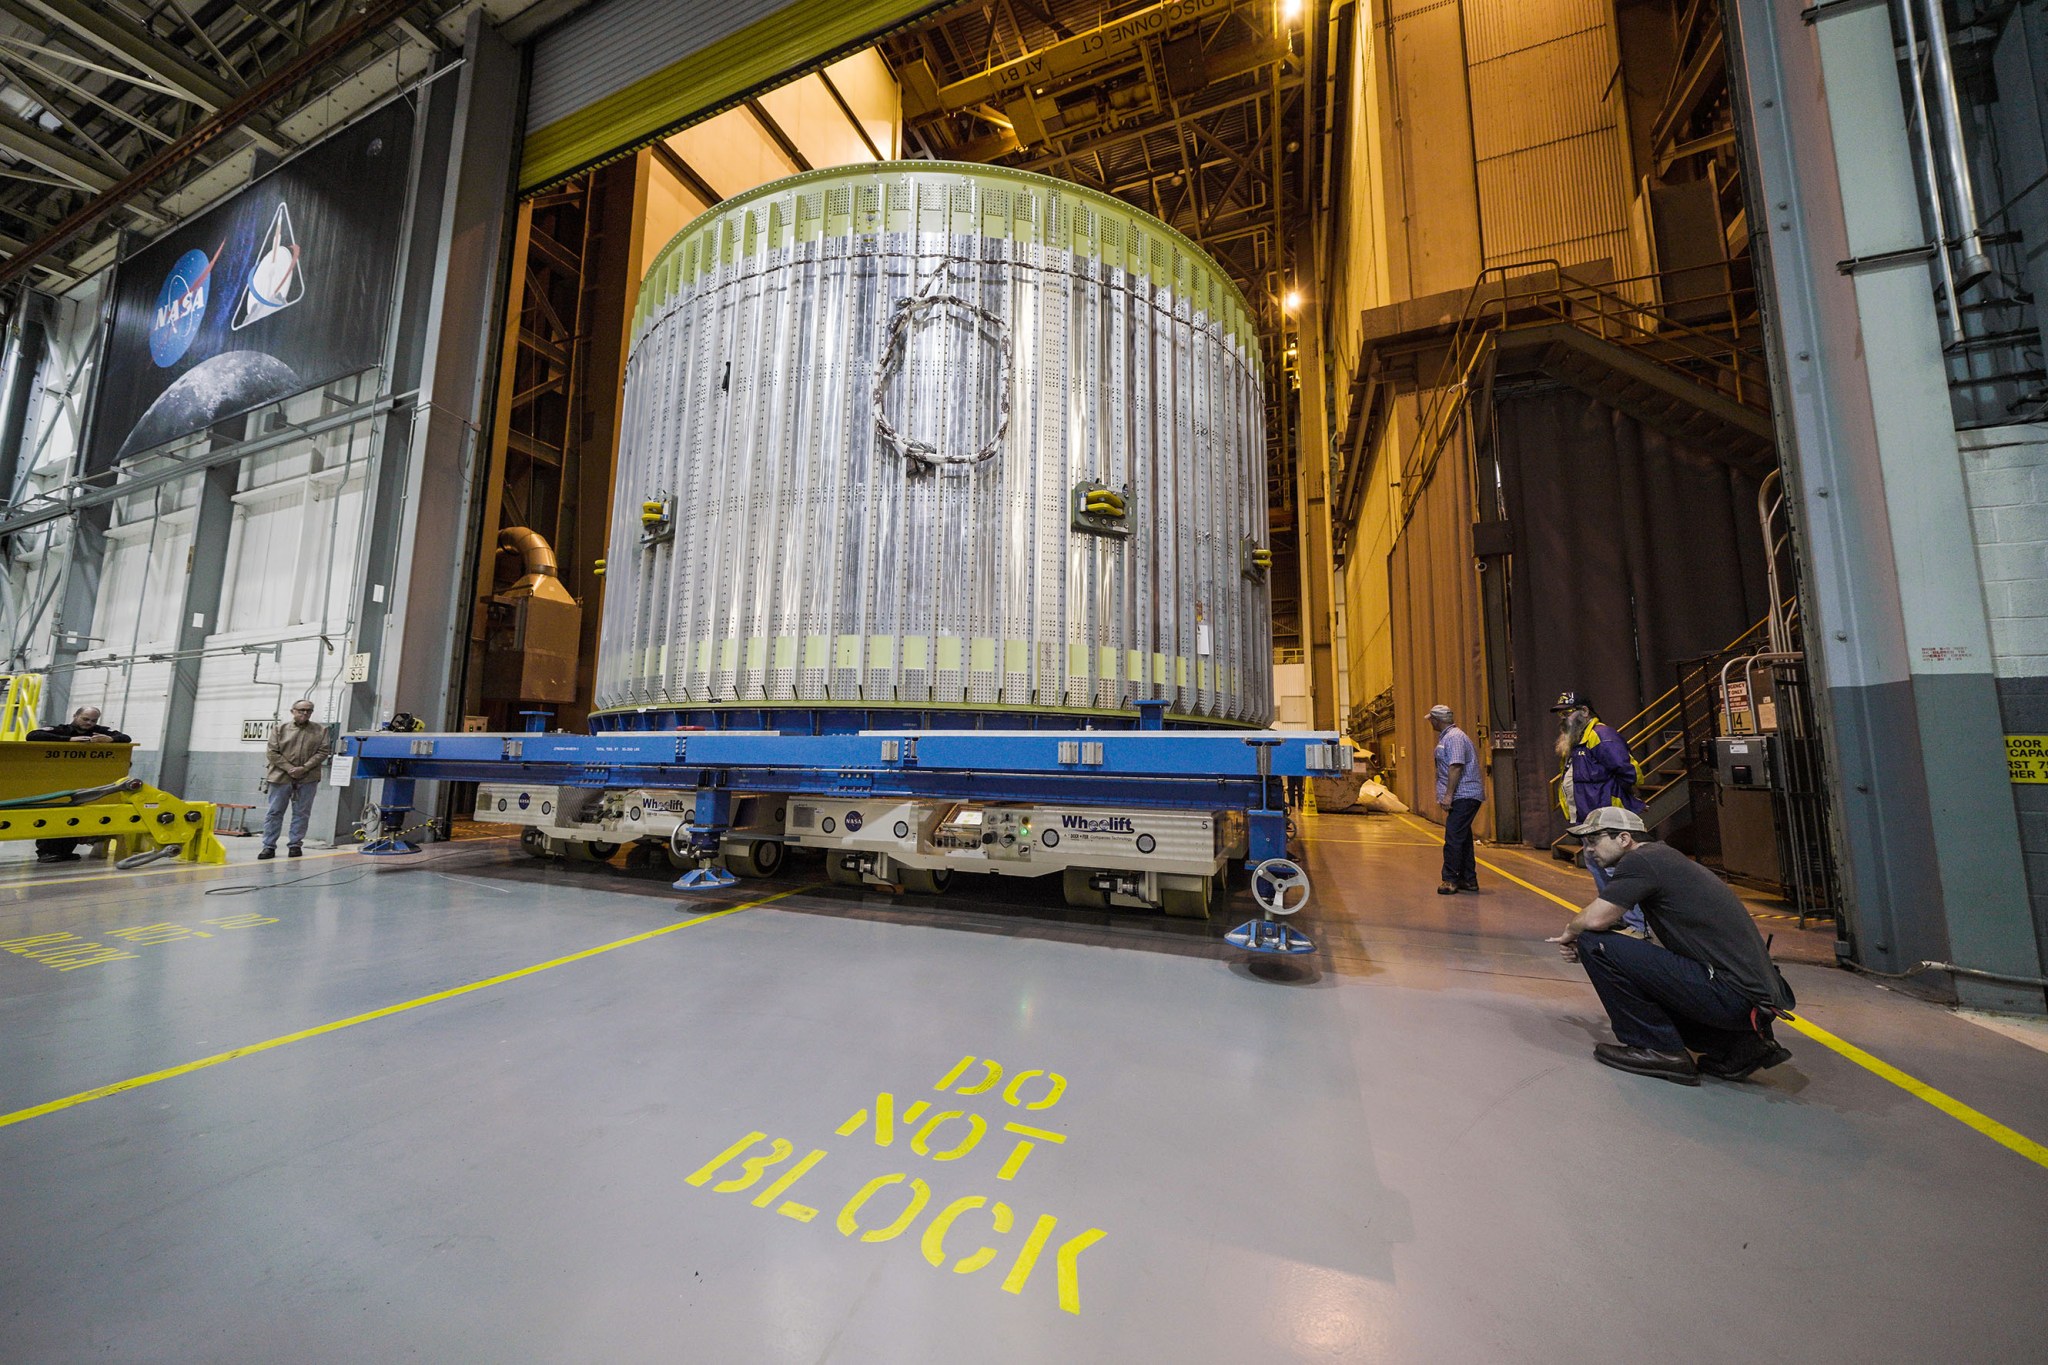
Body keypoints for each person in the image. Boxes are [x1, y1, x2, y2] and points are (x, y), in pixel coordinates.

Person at [1546, 807, 1794, 1085]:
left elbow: (1595, 918)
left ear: (1624, 838)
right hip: (1750, 1001)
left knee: (1594, 941)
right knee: (1609, 948)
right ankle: (1739, 1046)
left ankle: (1657, 1049)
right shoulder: (1664, 859)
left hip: (1731, 996)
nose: (1589, 850)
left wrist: (1571, 932)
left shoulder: (1640, 861)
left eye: (1594, 840)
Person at [1553, 691, 1648, 935]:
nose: (1563, 718)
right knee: (1599, 869)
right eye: (1560, 714)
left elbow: (1630, 772)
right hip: (1589, 823)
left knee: (1617, 872)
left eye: (1567, 712)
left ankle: (1639, 926)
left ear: (1584, 712)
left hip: (1608, 823)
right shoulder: (1576, 740)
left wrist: (1621, 802)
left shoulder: (1601, 736)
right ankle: (1617, 918)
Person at [25, 706, 132, 863]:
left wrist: (111, 740)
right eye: (85, 719)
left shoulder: (100, 732)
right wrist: (68, 740)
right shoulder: (62, 730)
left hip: (85, 785)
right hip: (59, 785)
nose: (89, 723)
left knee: (77, 817)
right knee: (55, 816)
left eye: (93, 720)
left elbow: (125, 738)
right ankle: (46, 852)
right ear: (75, 716)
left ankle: (65, 851)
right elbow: (33, 735)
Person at [261, 700, 332, 860]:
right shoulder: (280, 729)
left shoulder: (321, 730)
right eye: (301, 710)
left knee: (302, 813)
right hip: (280, 777)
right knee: (274, 812)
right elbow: (272, 752)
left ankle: (295, 845)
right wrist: (289, 768)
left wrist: (304, 768)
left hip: (308, 777)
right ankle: (268, 846)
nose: (305, 713)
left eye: (309, 711)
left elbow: (323, 751)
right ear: (293, 711)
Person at [1427, 703, 1484, 895]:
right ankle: (1468, 880)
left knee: (1453, 838)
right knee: (1463, 838)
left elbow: (1456, 766)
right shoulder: (1449, 737)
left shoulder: (1455, 738)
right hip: (1462, 796)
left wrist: (1448, 795)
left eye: (1432, 720)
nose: (1431, 723)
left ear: (1437, 720)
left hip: (1464, 795)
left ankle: (1450, 880)